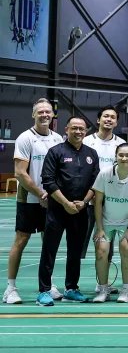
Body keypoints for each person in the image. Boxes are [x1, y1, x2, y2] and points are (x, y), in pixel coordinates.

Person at [37, 116, 100, 306]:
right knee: (49, 250)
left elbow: (96, 183)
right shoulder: (55, 151)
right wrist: (65, 203)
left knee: (75, 252)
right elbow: (48, 180)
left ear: (86, 131)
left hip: (81, 211)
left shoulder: (91, 153)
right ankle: (44, 291)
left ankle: (71, 288)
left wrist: (84, 202)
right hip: (57, 210)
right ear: (66, 129)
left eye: (82, 129)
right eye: (74, 128)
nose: (78, 132)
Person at [8, 99, 63, 305]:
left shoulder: (58, 139)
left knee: (48, 243)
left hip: (51, 200)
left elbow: (60, 171)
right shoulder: (25, 138)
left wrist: (54, 195)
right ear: (34, 115)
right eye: (40, 112)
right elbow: (20, 173)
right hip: (30, 198)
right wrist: (40, 194)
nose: (44, 115)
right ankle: (11, 288)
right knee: (21, 240)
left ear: (52, 115)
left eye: (48, 112)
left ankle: (48, 285)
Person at [90, 143, 128, 303]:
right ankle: (103, 289)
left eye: (127, 155)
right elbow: (98, 202)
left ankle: (126, 289)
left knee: (127, 249)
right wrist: (99, 228)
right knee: (101, 251)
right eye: (121, 155)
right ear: (116, 156)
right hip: (106, 221)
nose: (124, 158)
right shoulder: (105, 174)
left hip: (126, 222)